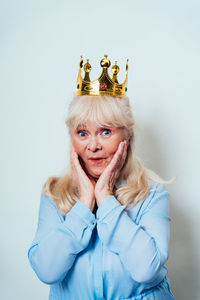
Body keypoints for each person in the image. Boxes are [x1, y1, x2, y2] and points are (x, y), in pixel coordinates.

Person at [28, 55, 175, 299]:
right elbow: (47, 270)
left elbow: (146, 269)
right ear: (71, 137)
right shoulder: (54, 194)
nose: (93, 145)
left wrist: (105, 198)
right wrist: (84, 204)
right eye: (82, 132)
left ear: (126, 137)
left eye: (105, 131)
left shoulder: (152, 193)